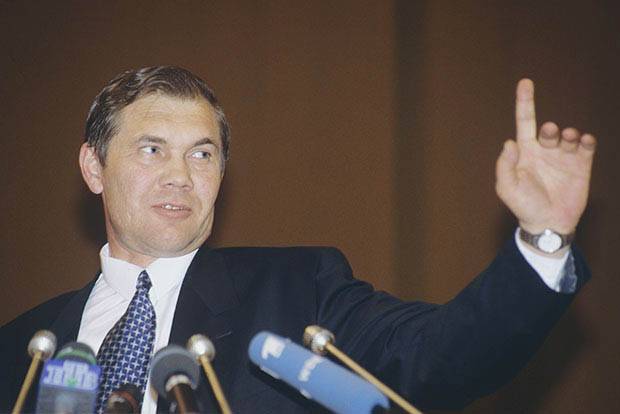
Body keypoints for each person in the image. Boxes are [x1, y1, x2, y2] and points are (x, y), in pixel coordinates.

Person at [0, 66, 596, 413]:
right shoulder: (17, 347)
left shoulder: (297, 292)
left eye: (202, 154)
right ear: (94, 167)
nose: (180, 176)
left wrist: (543, 239)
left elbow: (439, 356)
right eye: (153, 149)